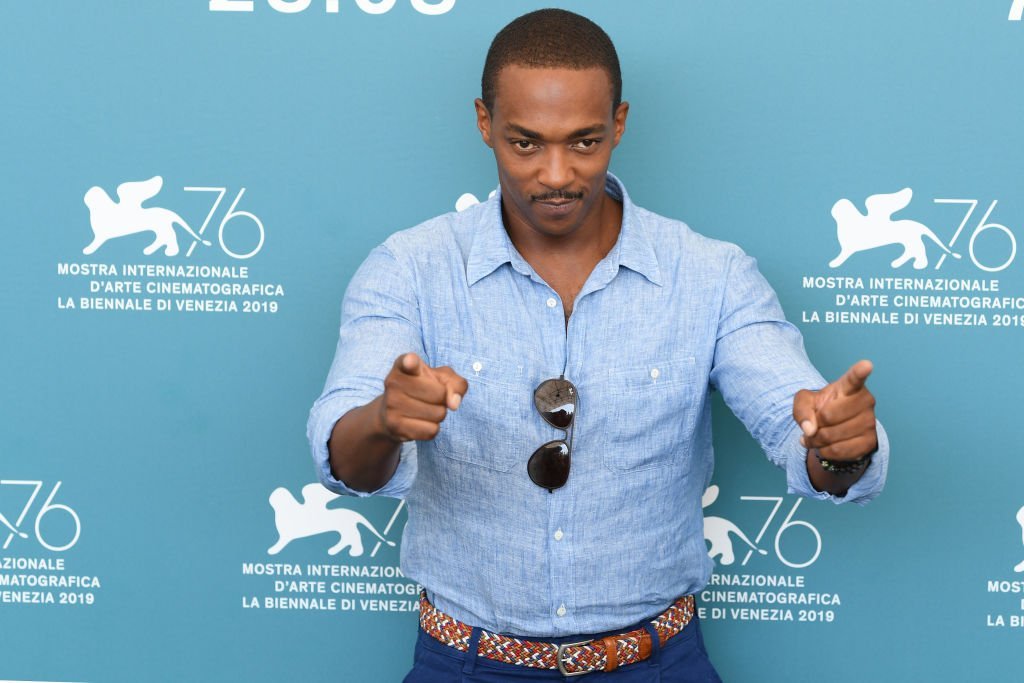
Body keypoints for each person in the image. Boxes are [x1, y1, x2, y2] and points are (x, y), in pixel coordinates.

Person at [307, 8, 888, 681]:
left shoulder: (712, 275)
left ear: (618, 124)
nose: (557, 174)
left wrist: (840, 448)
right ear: (484, 122)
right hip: (463, 664)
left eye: (584, 142)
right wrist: (381, 421)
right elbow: (345, 461)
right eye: (525, 143)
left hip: (659, 663)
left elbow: (799, 429)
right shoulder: (408, 268)